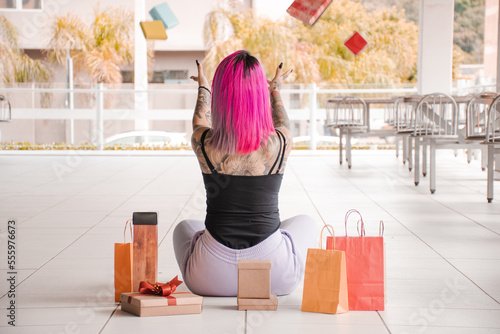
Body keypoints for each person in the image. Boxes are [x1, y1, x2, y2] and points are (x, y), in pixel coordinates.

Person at [173, 50, 318, 297]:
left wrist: (203, 87)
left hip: (208, 277)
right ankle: (273, 239)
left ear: (221, 96)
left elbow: (200, 121)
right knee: (307, 223)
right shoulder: (280, 143)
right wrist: (275, 91)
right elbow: (283, 123)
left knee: (185, 227)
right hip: (274, 275)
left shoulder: (203, 142)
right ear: (259, 97)